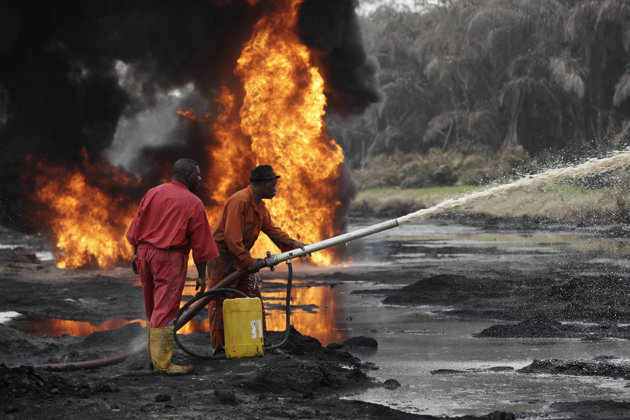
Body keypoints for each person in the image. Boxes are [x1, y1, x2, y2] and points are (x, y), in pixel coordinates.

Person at [126, 158, 219, 374]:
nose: (201, 178)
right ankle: (163, 364)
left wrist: (135, 254)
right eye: (198, 174)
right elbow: (202, 246)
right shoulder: (193, 202)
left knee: (152, 307)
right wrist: (203, 276)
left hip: (144, 254)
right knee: (165, 309)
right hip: (168, 258)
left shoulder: (153, 192)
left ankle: (154, 358)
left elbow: (136, 226)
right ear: (187, 176)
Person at [207, 164, 306, 355]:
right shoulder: (240, 201)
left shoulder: (259, 206)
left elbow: (271, 229)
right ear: (262, 184)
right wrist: (247, 261)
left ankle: (257, 339)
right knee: (220, 299)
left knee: (252, 295)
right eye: (272, 184)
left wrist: (291, 243)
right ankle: (219, 347)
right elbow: (231, 237)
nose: (275, 188)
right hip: (222, 256)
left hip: (240, 255)